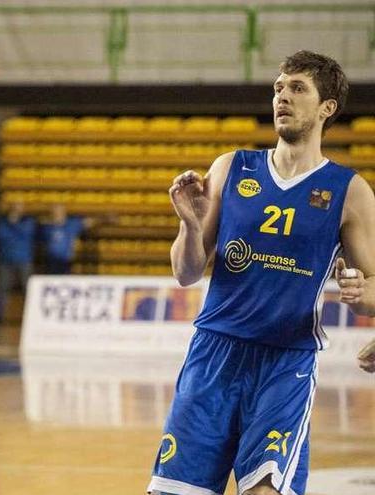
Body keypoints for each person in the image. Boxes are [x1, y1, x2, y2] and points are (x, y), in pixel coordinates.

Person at [148, 51, 375, 495]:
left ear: (327, 107)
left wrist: (359, 292)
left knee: (265, 490)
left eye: (297, 88)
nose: (282, 97)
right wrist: (190, 226)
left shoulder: (349, 191)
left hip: (284, 362)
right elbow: (186, 272)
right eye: (278, 87)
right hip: (213, 354)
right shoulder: (231, 167)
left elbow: (372, 289)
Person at [0, 201, 35, 321]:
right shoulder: (2, 222)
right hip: (5, 260)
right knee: (2, 289)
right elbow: (1, 235)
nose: (17, 209)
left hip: (24, 260)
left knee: (28, 289)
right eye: (15, 206)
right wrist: (15, 229)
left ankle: (31, 316)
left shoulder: (29, 221)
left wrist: (13, 227)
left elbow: (26, 233)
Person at [37, 203, 86, 275]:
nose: (57, 213)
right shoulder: (46, 227)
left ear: (64, 212)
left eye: (59, 211)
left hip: (65, 261)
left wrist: (104, 219)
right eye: (55, 211)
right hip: (50, 262)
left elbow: (87, 222)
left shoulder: (71, 225)